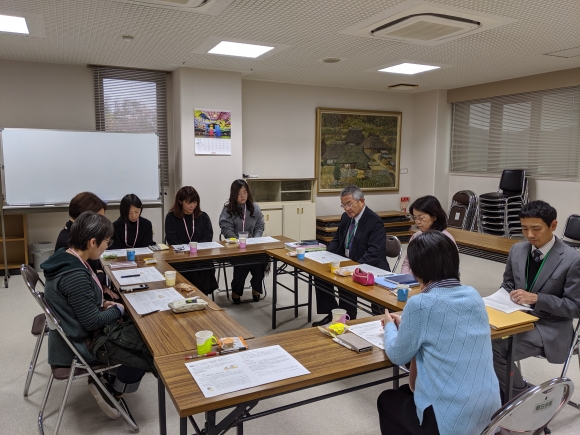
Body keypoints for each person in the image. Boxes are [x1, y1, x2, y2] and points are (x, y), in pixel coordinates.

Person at [378, 231, 500, 435]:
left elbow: (397, 355)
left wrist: (390, 326)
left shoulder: (420, 303)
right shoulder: (473, 295)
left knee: (387, 400)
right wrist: (407, 323)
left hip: (452, 419)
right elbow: (446, 329)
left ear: (417, 269)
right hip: (491, 411)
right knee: (403, 395)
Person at [42, 211, 156, 419]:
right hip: (80, 343)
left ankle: (110, 378)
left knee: (137, 322)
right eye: (106, 241)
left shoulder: (67, 256)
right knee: (148, 343)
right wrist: (117, 309)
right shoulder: (74, 275)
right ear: (92, 242)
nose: (107, 246)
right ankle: (114, 391)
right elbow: (92, 321)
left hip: (74, 331)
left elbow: (82, 302)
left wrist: (103, 302)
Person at [492, 200, 580, 402]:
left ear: (553, 226)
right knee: (479, 339)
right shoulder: (517, 250)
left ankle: (520, 397)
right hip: (515, 317)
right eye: (524, 228)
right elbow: (507, 285)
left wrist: (538, 299)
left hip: (549, 327)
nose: (530, 235)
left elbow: (575, 307)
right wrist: (498, 299)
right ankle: (503, 390)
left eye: (536, 229)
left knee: (493, 349)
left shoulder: (572, 260)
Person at [312, 185, 388, 326]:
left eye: (349, 204)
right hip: (347, 262)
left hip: (370, 267)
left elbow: (374, 254)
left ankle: (349, 318)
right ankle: (334, 313)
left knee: (346, 281)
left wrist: (351, 269)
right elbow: (337, 240)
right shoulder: (346, 217)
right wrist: (326, 256)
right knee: (320, 274)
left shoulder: (374, 221)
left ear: (362, 201)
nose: (347, 208)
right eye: (343, 205)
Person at [55, 192, 118, 299]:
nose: (102, 223)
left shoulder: (71, 231)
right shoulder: (71, 241)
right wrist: (101, 278)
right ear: (85, 217)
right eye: (99, 218)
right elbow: (88, 278)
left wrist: (101, 283)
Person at [219, 179, 266, 304]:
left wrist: (255, 240)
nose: (242, 196)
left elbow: (260, 225)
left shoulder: (254, 207)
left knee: (261, 259)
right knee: (243, 260)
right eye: (239, 193)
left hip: (252, 245)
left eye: (245, 192)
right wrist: (236, 241)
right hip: (235, 246)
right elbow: (225, 227)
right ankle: (236, 291)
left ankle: (256, 288)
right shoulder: (228, 209)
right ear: (234, 194)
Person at [165, 186, 218, 295]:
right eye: (189, 202)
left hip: (200, 256)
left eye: (194, 202)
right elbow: (172, 239)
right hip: (180, 257)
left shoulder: (203, 217)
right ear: (180, 201)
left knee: (205, 268)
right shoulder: (171, 217)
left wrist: (195, 249)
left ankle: (203, 297)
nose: (192, 205)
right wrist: (187, 250)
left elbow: (208, 236)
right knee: (187, 269)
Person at [401, 195, 456, 275]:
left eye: (421, 218)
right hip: (412, 282)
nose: (417, 222)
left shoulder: (445, 239)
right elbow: (407, 263)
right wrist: (404, 278)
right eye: (415, 217)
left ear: (434, 217)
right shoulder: (416, 236)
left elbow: (450, 270)